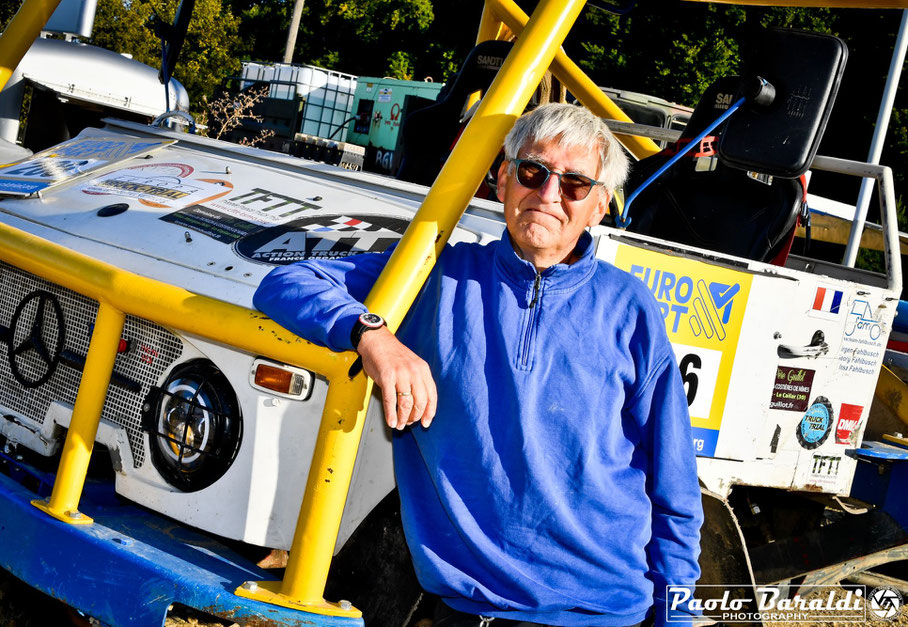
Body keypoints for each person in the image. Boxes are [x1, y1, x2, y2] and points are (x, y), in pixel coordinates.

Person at [254, 103, 702, 627]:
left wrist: (677, 617)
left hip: (600, 612)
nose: (549, 194)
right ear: (503, 178)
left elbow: (674, 484)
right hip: (466, 610)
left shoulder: (630, 308)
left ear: (599, 206)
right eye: (533, 171)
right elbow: (286, 283)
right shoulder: (435, 275)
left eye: (576, 184)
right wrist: (373, 337)